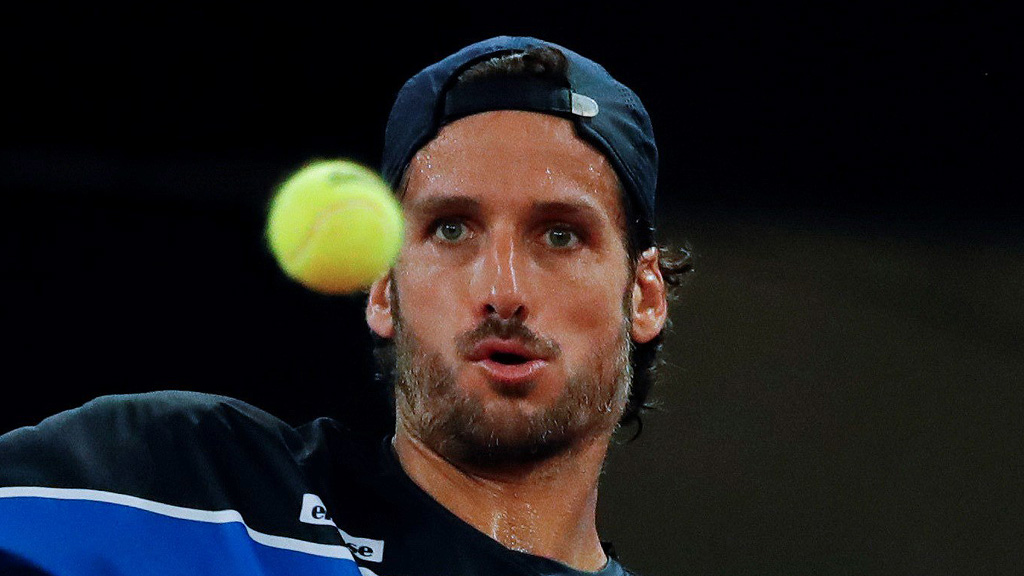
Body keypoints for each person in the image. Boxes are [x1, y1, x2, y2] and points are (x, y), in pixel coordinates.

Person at [0, 36, 690, 576]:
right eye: (451, 229)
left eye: (560, 235)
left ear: (645, 295)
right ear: (384, 291)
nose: (503, 288)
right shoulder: (177, 486)